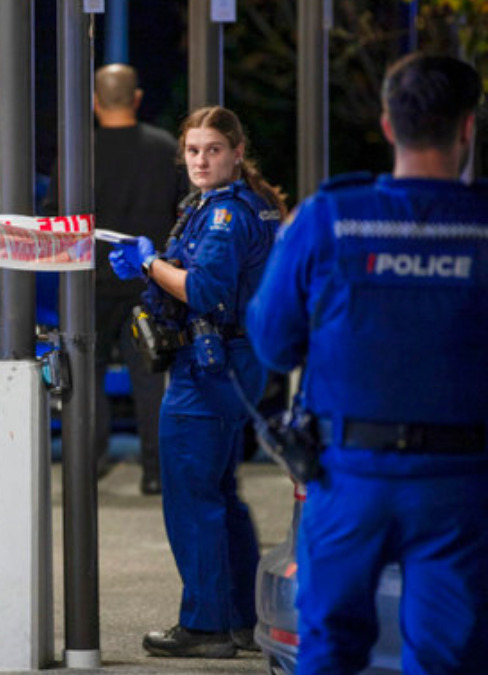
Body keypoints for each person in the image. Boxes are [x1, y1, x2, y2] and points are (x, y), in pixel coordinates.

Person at [247, 54, 488, 674]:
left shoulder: (329, 218)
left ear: (387, 125)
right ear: (467, 127)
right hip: (459, 483)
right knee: (449, 658)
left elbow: (272, 344)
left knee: (329, 651)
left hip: (348, 476)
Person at [108, 105, 285, 658]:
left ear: (237, 152)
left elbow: (206, 290)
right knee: (222, 495)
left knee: (192, 498)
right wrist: (157, 267)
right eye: (192, 151)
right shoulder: (227, 206)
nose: (201, 160)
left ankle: (206, 625)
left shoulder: (226, 215)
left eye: (213, 150)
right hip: (232, 363)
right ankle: (238, 619)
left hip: (210, 368)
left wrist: (147, 265)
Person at [91, 64, 184, 496]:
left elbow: (55, 213)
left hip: (89, 283)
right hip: (149, 279)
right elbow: (181, 212)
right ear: (137, 98)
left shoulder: (79, 149)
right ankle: (154, 472)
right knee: (150, 376)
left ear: (95, 100)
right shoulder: (164, 148)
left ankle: (89, 462)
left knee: (86, 373)